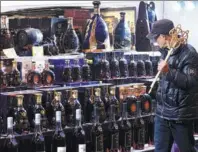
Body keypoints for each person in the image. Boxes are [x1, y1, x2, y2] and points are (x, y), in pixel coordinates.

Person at [147, 19, 198, 152]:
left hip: (180, 116)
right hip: (162, 114)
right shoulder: (165, 51)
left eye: (156, 38)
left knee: (187, 149)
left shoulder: (189, 53)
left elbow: (191, 82)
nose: (155, 41)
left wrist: (168, 71)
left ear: (164, 36)